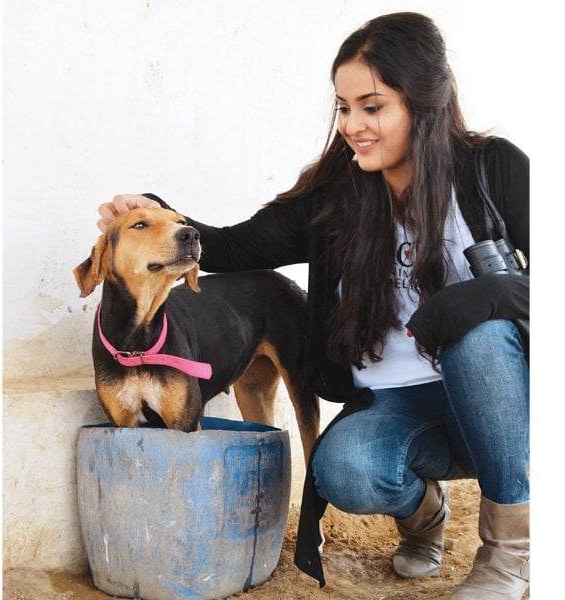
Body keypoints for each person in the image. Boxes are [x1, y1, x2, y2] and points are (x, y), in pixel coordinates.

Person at [96, 12, 529, 600]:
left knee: (477, 335)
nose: (353, 125)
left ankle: (508, 557)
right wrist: (158, 215)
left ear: (424, 104)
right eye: (343, 108)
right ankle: (425, 514)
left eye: (371, 107)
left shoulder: (492, 168)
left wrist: (476, 299)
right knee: (344, 470)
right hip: (400, 401)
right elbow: (234, 246)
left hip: (504, 397)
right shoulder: (335, 195)